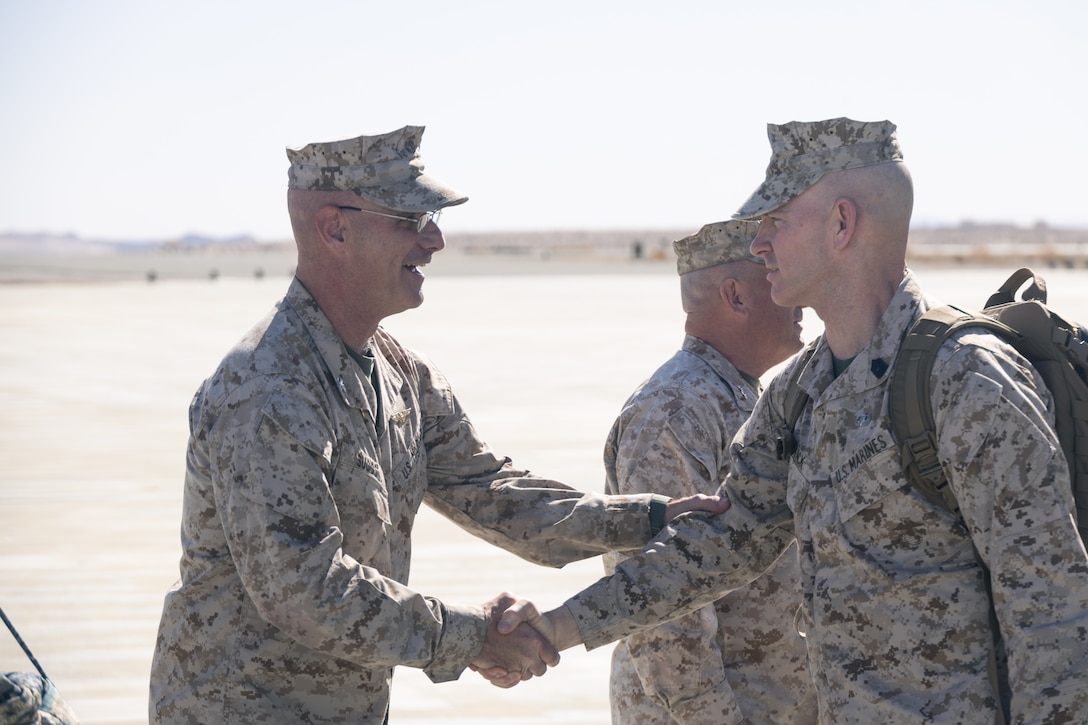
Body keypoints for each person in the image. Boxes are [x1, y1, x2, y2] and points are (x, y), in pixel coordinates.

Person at [493, 118, 1088, 723]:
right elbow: (722, 544)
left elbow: (1054, 614)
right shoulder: (799, 392)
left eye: (776, 221)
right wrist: (557, 627)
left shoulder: (964, 377)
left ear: (841, 225)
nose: (759, 245)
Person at [147, 125, 724, 724]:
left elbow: (493, 493)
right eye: (410, 219)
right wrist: (473, 636)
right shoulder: (268, 388)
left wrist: (650, 518)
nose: (435, 240)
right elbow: (303, 589)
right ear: (334, 227)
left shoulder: (397, 372)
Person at [602, 220, 815, 724]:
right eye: (778, 275)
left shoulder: (736, 395)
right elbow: (663, 603)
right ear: (736, 297)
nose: (800, 298)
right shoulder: (675, 409)